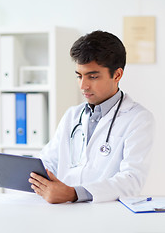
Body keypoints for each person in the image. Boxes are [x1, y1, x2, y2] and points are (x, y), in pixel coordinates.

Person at [28, 30, 154, 203]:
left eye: (92, 77)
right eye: (79, 76)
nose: (83, 85)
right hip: (65, 211)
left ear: (117, 75)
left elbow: (131, 181)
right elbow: (48, 162)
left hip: (107, 215)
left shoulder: (138, 119)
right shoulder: (72, 116)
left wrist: (74, 193)